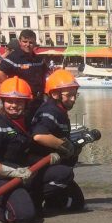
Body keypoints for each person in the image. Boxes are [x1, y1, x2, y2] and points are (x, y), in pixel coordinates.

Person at [0, 76, 76, 223]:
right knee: (24, 216)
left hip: (24, 173)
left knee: (63, 174)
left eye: (19, 101)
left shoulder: (28, 121)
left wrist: (50, 156)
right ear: (2, 101)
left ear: (26, 102)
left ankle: (28, 200)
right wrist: (10, 171)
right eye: (9, 101)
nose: (14, 105)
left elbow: (28, 149)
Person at [29, 69, 85, 210]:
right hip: (39, 165)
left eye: (75, 95)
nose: (73, 99)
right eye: (69, 95)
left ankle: (53, 202)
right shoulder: (50, 111)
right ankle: (33, 196)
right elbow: (39, 136)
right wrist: (65, 145)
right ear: (55, 94)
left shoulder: (60, 111)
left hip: (52, 163)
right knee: (65, 175)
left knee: (77, 203)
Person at [0, 31, 46, 120]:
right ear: (20, 42)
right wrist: (10, 88)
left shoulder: (39, 59)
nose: (28, 45)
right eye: (25, 42)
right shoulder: (14, 57)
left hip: (38, 100)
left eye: (31, 42)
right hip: (22, 101)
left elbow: (46, 75)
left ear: (35, 43)